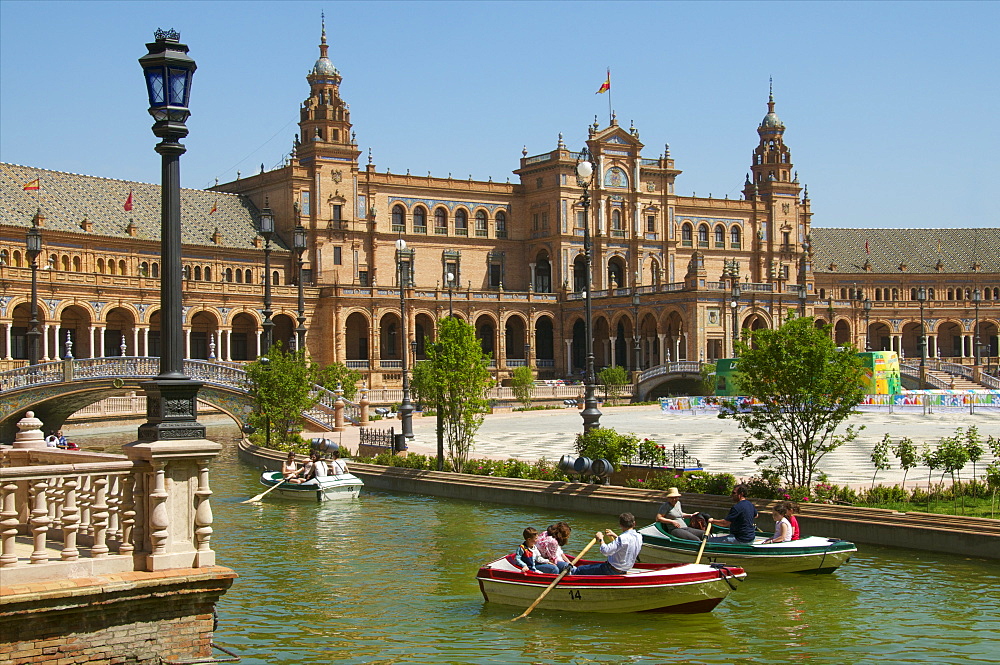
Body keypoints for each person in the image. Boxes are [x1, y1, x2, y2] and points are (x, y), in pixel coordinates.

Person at [572, 513, 642, 576]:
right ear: (634, 524)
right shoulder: (639, 537)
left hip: (611, 570)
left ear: (620, 525)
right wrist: (615, 536)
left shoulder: (622, 538)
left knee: (579, 569)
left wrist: (600, 539)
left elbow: (605, 551)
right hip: (625, 569)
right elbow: (626, 544)